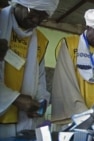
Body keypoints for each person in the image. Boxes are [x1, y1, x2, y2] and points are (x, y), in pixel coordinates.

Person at [0, 0, 59, 138]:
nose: (36, 20)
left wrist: (41, 101)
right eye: (33, 12)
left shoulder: (40, 40)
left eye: (43, 17)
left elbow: (40, 78)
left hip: (23, 122)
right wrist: (15, 99)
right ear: (18, 3)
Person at [51, 8, 94, 127]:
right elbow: (65, 81)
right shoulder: (69, 44)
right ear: (88, 27)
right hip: (73, 116)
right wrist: (83, 113)